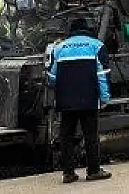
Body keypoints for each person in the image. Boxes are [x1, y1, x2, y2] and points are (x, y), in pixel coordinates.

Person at [46, 16, 112, 183]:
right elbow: (102, 76)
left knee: (66, 136)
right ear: (87, 30)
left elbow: (52, 77)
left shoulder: (59, 48)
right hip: (89, 100)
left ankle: (68, 173)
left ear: (71, 31)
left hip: (66, 100)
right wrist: (104, 98)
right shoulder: (97, 46)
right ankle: (93, 171)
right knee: (91, 135)